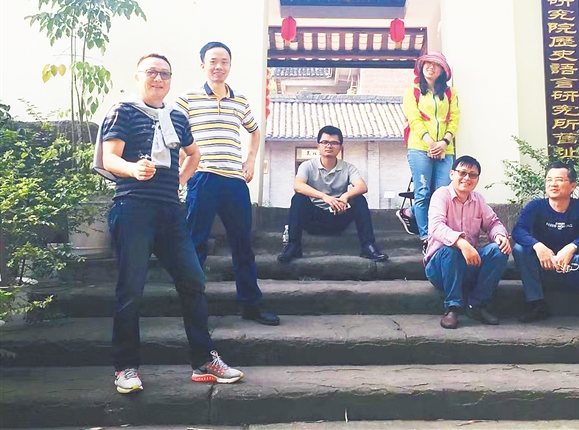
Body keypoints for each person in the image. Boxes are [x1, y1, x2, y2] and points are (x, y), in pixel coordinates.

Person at [94, 54, 243, 395]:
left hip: (170, 211)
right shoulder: (123, 111)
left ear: (170, 80)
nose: (158, 78)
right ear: (138, 76)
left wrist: (180, 180)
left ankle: (204, 361)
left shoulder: (176, 115)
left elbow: (194, 154)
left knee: (193, 280)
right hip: (132, 208)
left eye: (164, 73)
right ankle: (126, 367)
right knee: (131, 289)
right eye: (151, 72)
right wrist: (133, 169)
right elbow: (109, 157)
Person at [175, 41, 278, 326]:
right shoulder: (188, 99)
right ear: (203, 65)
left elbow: (254, 131)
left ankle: (251, 305)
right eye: (213, 61)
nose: (219, 66)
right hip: (203, 178)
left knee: (243, 244)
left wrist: (251, 160)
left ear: (230, 66)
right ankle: (193, 309)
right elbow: (173, 134)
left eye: (224, 62)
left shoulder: (239, 101)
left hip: (234, 181)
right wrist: (187, 161)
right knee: (196, 244)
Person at [512, 161, 579, 336]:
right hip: (543, 268)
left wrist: (571, 248)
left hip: (573, 269)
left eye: (559, 180)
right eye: (549, 180)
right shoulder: (536, 206)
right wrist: (538, 246)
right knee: (520, 249)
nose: (553, 184)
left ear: (572, 186)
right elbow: (518, 231)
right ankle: (537, 304)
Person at [277, 125, 388, 263]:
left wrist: (345, 197)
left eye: (334, 143)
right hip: (313, 220)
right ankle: (293, 246)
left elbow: (362, 186)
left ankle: (368, 246)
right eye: (325, 142)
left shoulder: (348, 167)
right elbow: (298, 185)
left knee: (359, 199)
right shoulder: (307, 166)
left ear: (340, 147)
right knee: (298, 198)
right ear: (318, 146)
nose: (329, 146)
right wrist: (324, 197)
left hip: (338, 217)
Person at [424, 155, 510, 329]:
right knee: (451, 249)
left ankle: (476, 304)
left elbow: (493, 223)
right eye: (462, 173)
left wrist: (500, 235)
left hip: (468, 265)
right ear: (452, 174)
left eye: (472, 175)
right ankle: (453, 307)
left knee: (498, 249)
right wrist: (461, 243)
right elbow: (436, 226)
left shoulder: (478, 199)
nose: (467, 178)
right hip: (440, 267)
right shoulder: (441, 195)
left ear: (477, 179)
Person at [399, 52, 461, 251]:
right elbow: (414, 119)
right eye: (427, 63)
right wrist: (430, 143)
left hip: (445, 148)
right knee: (423, 192)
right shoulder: (412, 92)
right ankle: (427, 238)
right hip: (419, 147)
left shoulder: (450, 93)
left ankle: (413, 213)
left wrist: (444, 142)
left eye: (436, 65)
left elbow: (454, 118)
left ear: (443, 71)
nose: (430, 67)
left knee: (443, 193)